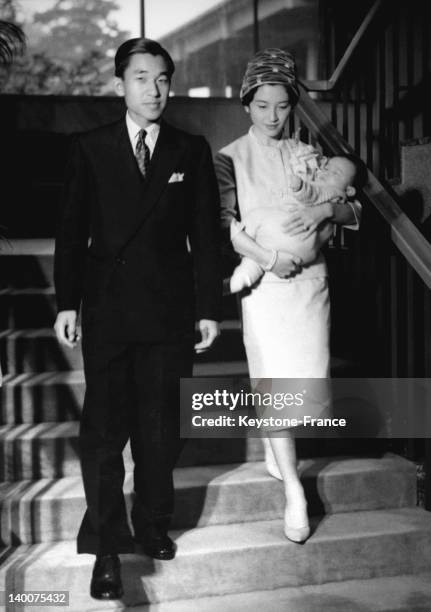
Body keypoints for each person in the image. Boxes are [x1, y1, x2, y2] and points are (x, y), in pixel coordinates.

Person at [54, 38, 222, 600]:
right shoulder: (91, 147)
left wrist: (207, 310)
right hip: (108, 310)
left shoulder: (189, 149)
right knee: (104, 435)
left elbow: (205, 233)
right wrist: (64, 303)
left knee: (163, 429)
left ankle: (152, 521)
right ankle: (106, 547)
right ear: (120, 84)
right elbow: (72, 234)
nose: (155, 89)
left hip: (170, 312)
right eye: (143, 77)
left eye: (164, 78)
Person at [215, 48, 362, 544]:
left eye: (281, 106)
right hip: (266, 285)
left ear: (293, 105)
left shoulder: (311, 155)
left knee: (305, 387)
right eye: (261, 106)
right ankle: (295, 490)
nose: (272, 116)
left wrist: (324, 215)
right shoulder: (230, 157)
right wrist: (268, 258)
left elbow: (351, 211)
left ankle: (278, 454)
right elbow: (223, 223)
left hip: (310, 283)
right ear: (246, 105)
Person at [229, 155, 363, 292]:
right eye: (326, 168)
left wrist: (325, 209)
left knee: (254, 224)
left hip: (295, 247)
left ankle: (242, 275)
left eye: (335, 173)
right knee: (254, 258)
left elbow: (355, 212)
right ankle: (242, 276)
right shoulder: (233, 154)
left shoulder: (319, 172)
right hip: (285, 250)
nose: (325, 172)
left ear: (349, 190)